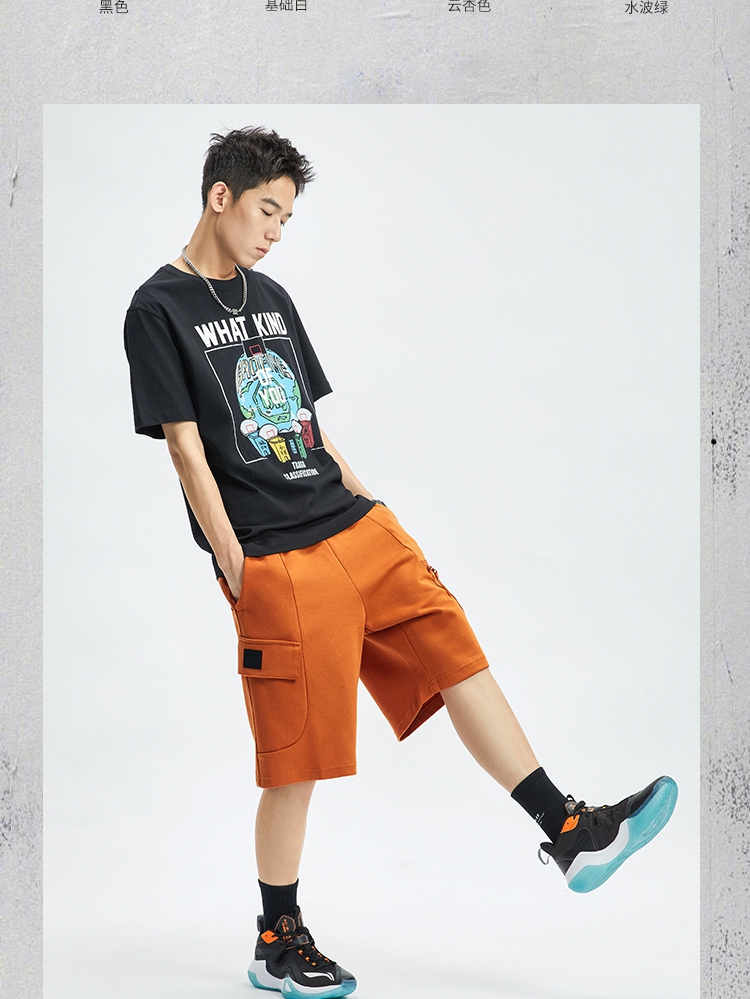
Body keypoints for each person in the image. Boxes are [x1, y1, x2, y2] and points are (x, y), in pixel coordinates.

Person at [123, 126, 678, 999]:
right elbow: (187, 452)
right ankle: (276, 937)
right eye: (267, 210)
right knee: (299, 756)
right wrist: (237, 568)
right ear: (219, 197)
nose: (276, 231)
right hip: (274, 557)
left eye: (287, 217)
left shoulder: (271, 296)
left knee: (457, 652)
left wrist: (373, 505)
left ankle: (568, 829)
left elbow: (309, 426)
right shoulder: (157, 308)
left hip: (355, 526)